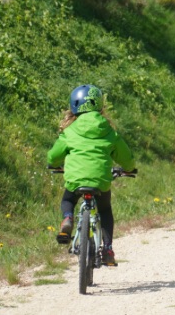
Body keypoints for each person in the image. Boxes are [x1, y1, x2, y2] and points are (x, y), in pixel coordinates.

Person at [47, 84, 135, 266]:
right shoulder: (109, 131)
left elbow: (53, 156)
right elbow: (126, 157)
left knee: (68, 200)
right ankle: (108, 248)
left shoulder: (70, 131)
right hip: (101, 182)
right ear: (100, 106)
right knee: (105, 210)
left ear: (74, 106)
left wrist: (54, 165)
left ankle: (68, 219)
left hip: (75, 180)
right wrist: (129, 168)